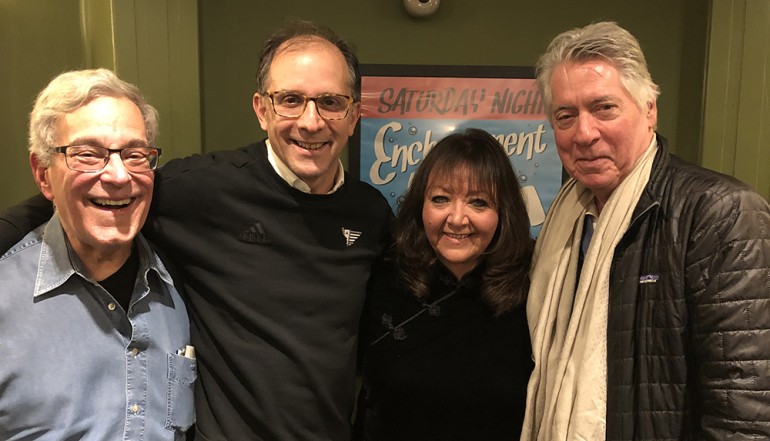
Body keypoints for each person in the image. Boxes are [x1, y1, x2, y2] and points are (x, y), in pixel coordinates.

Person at [0, 21, 393, 441]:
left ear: (353, 115)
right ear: (262, 110)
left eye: (330, 102)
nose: (311, 122)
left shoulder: (370, 213)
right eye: (291, 100)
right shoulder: (201, 189)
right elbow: (104, 188)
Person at [521, 21, 770, 441]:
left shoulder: (721, 212)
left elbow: (744, 411)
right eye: (566, 116)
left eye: (604, 108)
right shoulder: (563, 223)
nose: (584, 133)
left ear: (649, 109)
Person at [0, 69, 194, 440]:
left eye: (136, 154)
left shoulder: (184, 286)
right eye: (88, 154)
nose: (119, 175)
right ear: (43, 175)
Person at [354, 128, 534, 441]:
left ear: (503, 212)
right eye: (441, 199)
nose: (457, 218)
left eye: (478, 202)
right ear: (420, 205)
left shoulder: (536, 289)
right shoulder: (380, 278)